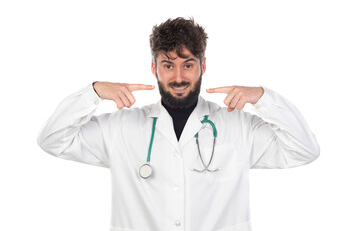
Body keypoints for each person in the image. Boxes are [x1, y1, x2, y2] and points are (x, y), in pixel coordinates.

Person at [37, 17, 320, 231]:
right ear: (154, 69)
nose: (178, 77)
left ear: (203, 66)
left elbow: (304, 150)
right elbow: (52, 139)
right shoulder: (121, 128)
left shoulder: (238, 126)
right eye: (168, 65)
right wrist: (93, 92)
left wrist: (263, 98)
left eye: (188, 64)